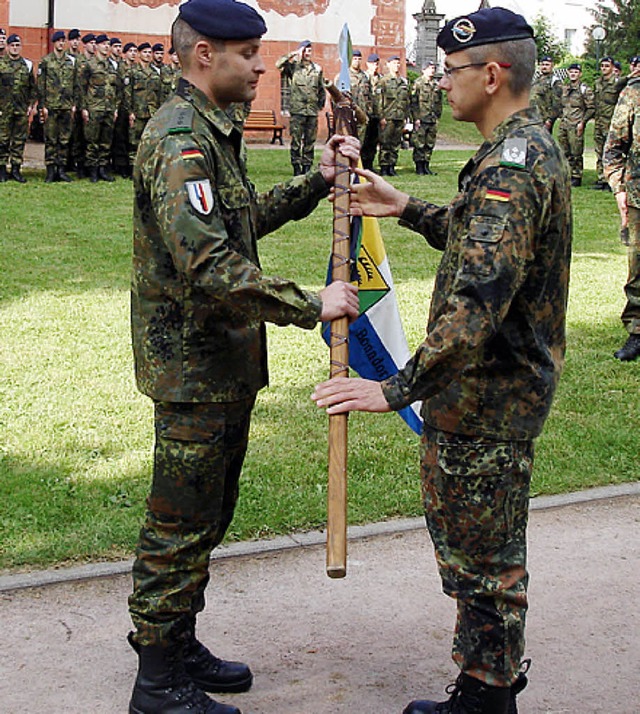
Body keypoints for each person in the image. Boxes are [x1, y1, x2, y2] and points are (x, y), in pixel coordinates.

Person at [313, 7, 572, 714]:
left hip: (489, 397)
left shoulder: (512, 166)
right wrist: (405, 207)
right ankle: (483, 684)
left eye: (451, 70)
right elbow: (479, 238)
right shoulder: (521, 151)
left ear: (491, 74)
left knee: (482, 555)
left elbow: (475, 306)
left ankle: (488, 697)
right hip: (487, 394)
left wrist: (391, 390)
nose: (440, 81)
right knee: (471, 545)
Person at [128, 1, 360, 713]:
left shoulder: (209, 132)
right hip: (192, 367)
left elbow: (239, 220)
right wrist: (308, 304)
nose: (263, 67)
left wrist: (317, 180)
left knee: (209, 512)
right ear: (205, 55)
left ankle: (178, 640)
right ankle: (157, 681)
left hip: (220, 364)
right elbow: (207, 265)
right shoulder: (179, 140)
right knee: (179, 522)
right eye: (250, 54)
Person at [604, 57, 640, 361]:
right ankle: (638, 332)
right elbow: (614, 147)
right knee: (639, 267)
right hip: (638, 195)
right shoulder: (633, 93)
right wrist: (619, 189)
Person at [276, 39, 326, 175]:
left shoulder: (317, 69)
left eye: (309, 50)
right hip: (298, 110)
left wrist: (320, 105)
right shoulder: (293, 68)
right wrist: (294, 53)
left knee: (310, 140)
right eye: (305, 50)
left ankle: (307, 165)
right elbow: (278, 64)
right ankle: (296, 166)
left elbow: (321, 89)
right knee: (296, 140)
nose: (307, 53)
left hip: (311, 111)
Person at [78, 33, 120, 182]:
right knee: (92, 141)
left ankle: (103, 168)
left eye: (108, 44)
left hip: (108, 108)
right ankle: (93, 170)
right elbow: (82, 87)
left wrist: (115, 108)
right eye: (103, 44)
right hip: (94, 107)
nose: (106, 47)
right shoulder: (89, 65)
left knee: (106, 141)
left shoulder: (112, 65)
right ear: (97, 46)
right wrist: (84, 108)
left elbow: (117, 88)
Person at [37, 30, 77, 183]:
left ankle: (61, 169)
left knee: (64, 139)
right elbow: (41, 85)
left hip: (66, 106)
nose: (61, 43)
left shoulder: (70, 62)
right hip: (51, 105)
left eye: (63, 41)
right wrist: (43, 106)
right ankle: (50, 170)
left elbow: (75, 84)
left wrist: (74, 104)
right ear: (54, 43)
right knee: (51, 139)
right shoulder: (46, 61)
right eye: (58, 41)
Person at [0, 33, 36, 183]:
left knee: (19, 140)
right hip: (4, 109)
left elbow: (33, 88)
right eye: (12, 45)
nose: (15, 48)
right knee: (2, 140)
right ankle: (1, 169)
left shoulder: (27, 65)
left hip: (21, 109)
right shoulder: (1, 64)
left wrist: (31, 105)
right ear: (7, 47)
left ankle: (16, 169)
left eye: (17, 45)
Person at [125, 41, 162, 167]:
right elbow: (128, 93)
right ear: (139, 54)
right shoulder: (133, 71)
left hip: (152, 112)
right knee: (134, 141)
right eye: (144, 52)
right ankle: (133, 167)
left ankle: (146, 166)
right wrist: (130, 112)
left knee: (150, 141)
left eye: (149, 52)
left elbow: (159, 94)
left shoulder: (155, 73)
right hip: (137, 112)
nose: (147, 55)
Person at [592, 56, 626, 190]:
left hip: (611, 122)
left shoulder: (618, 82)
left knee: (611, 152)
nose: (604, 68)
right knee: (599, 151)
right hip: (599, 122)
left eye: (607, 66)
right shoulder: (598, 82)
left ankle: (612, 180)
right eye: (602, 66)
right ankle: (601, 179)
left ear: (612, 67)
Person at [557, 62, 594, 187]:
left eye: (576, 72)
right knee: (564, 151)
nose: (573, 74)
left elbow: (591, 108)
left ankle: (576, 176)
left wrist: (582, 122)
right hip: (564, 124)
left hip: (576, 124)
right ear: (568, 73)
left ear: (580, 74)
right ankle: (567, 174)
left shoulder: (584, 89)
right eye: (571, 72)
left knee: (576, 152)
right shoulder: (565, 88)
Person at [378, 54, 409, 176]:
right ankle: (384, 166)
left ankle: (392, 166)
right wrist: (382, 116)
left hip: (399, 116)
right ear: (388, 64)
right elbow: (379, 100)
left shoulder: (403, 82)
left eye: (398, 63)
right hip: (388, 116)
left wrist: (406, 116)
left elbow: (406, 101)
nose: (397, 65)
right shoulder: (384, 81)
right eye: (394, 63)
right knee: (385, 142)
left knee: (395, 143)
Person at [410, 60, 442, 175]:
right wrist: (416, 118)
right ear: (423, 70)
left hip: (432, 118)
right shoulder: (418, 83)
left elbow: (439, 102)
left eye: (433, 68)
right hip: (422, 118)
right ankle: (419, 166)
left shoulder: (436, 85)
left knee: (429, 143)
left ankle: (426, 165)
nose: (432, 70)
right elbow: (413, 103)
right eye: (430, 68)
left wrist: (438, 116)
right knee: (419, 143)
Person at [529, 54, 562, 132]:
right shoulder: (536, 80)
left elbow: (557, 103)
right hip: (533, 118)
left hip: (544, 120)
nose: (544, 67)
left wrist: (550, 120)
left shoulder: (554, 81)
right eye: (542, 64)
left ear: (552, 66)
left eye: (547, 65)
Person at [361, 52, 382, 171]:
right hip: (365, 114)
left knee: (373, 142)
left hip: (376, 115)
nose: (375, 66)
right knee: (364, 140)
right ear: (368, 64)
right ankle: (362, 163)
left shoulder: (380, 79)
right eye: (373, 63)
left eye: (377, 63)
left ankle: (370, 164)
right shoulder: (364, 77)